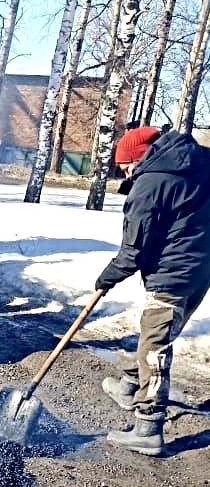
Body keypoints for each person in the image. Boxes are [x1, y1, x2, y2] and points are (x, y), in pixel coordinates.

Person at [96, 125, 210, 455]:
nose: (126, 173)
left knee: (156, 345)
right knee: (155, 334)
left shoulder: (149, 183)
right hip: (201, 268)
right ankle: (131, 384)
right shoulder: (199, 160)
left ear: (138, 158)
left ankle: (149, 425)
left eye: (126, 167)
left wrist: (107, 277)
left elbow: (134, 249)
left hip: (173, 272)